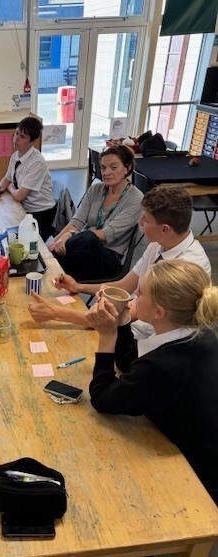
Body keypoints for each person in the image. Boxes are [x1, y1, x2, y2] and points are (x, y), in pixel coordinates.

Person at [86, 260, 218, 505]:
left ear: (159, 313)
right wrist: (122, 320)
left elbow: (102, 398)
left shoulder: (165, 366)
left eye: (141, 293)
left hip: (200, 480)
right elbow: (131, 362)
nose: (133, 295)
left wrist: (106, 337)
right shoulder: (203, 335)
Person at [28, 186, 211, 339]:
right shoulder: (158, 244)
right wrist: (79, 287)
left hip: (143, 340)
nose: (140, 222)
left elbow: (121, 318)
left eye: (146, 219)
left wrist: (56, 313)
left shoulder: (184, 269)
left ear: (165, 229)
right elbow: (124, 286)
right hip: (130, 325)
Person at [47, 144, 142, 281]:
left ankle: (51, 273)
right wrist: (55, 242)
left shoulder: (135, 198)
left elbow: (106, 233)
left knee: (87, 238)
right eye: (103, 167)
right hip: (82, 247)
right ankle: (51, 269)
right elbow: (77, 221)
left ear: (127, 168)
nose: (106, 172)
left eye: (113, 167)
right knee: (61, 247)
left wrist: (70, 235)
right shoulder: (95, 189)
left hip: (108, 258)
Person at [0, 116, 57, 241]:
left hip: (40, 213)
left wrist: (9, 187)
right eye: (16, 133)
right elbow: (7, 178)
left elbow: (19, 195)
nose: (16, 138)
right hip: (24, 207)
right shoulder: (16, 155)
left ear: (32, 142)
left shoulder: (37, 162)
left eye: (22, 136)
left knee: (16, 240)